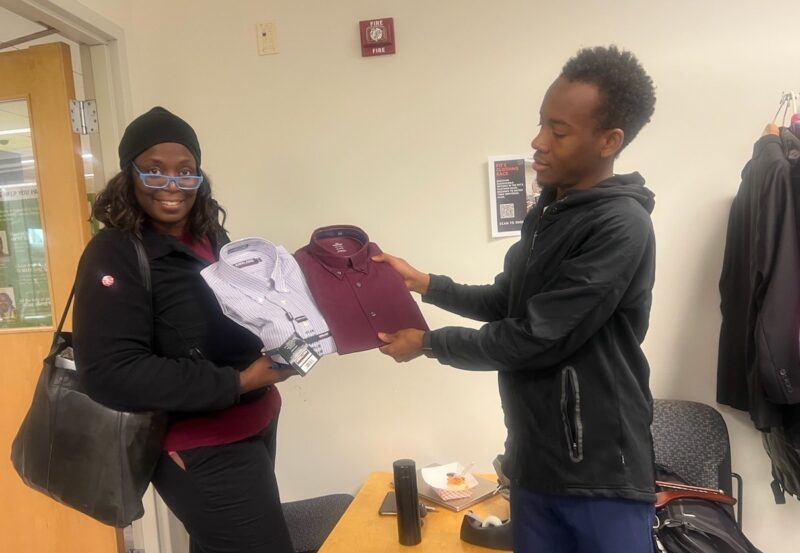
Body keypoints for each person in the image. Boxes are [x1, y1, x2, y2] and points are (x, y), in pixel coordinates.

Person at [377, 46, 658, 553]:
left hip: (598, 475)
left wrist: (428, 343)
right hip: (534, 462)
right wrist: (425, 283)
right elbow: (506, 303)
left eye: (559, 131)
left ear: (608, 141)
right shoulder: (549, 212)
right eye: (541, 125)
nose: (538, 142)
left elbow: (537, 336)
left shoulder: (621, 224)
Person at [72, 107, 296, 553]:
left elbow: (236, 315)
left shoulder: (211, 237)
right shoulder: (115, 254)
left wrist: (290, 326)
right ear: (129, 176)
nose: (172, 185)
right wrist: (239, 380)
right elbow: (109, 372)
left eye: (185, 171)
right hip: (200, 444)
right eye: (154, 171)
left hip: (254, 421)